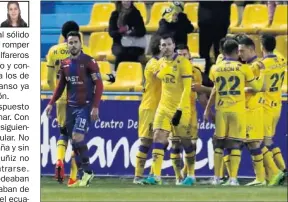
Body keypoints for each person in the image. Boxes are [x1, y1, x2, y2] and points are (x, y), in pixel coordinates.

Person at [46, 21, 115, 186]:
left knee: (73, 136)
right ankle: (77, 176)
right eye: (71, 42)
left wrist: (95, 106)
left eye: (75, 42)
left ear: (80, 42)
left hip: (84, 105)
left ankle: (81, 170)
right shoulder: (66, 63)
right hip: (70, 104)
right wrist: (50, 102)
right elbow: (62, 84)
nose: (73, 45)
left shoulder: (86, 60)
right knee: (74, 139)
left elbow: (97, 83)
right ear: (67, 42)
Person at [204, 39, 265, 186]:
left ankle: (217, 178)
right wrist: (262, 72)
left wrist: (207, 108)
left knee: (218, 144)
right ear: (236, 52)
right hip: (237, 110)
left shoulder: (215, 69)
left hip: (221, 110)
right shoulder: (243, 68)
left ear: (223, 52)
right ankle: (233, 179)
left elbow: (215, 89)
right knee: (235, 144)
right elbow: (257, 87)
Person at [144, 35, 193, 186]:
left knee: (185, 142)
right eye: (163, 45)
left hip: (181, 107)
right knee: (158, 136)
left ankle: (191, 175)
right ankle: (156, 175)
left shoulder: (183, 63)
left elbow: (187, 89)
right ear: (160, 47)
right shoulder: (160, 63)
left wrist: (179, 109)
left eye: (169, 44)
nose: (166, 47)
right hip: (163, 106)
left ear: (174, 46)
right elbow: (159, 76)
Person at [133, 35, 163, 184]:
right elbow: (163, 77)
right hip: (150, 107)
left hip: (161, 107)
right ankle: (138, 176)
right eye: (165, 45)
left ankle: (153, 174)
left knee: (162, 141)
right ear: (160, 46)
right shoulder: (153, 63)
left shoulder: (161, 62)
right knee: (146, 142)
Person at [176, 44, 207, 185]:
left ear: (189, 56)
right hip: (175, 112)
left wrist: (207, 109)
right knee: (175, 145)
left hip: (191, 112)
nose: (182, 57)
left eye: (185, 54)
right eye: (180, 54)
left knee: (192, 145)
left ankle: (188, 174)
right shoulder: (173, 71)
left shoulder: (196, 72)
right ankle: (178, 177)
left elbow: (200, 93)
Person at [238, 37, 267, 186]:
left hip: (253, 109)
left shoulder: (255, 66)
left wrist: (241, 90)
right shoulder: (248, 65)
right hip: (246, 108)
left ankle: (261, 178)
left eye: (242, 50)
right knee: (251, 144)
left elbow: (261, 87)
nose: (239, 53)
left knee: (254, 143)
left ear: (251, 49)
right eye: (238, 51)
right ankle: (261, 177)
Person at [260, 34, 286, 185]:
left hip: (266, 106)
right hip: (278, 103)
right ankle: (276, 174)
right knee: (268, 140)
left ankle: (278, 173)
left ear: (262, 46)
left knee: (261, 142)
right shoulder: (281, 58)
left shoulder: (263, 64)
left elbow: (260, 86)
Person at [108, 1, 146, 70]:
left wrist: (131, 32)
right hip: (119, 43)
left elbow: (142, 31)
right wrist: (120, 31)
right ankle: (117, 75)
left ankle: (134, 75)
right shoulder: (115, 14)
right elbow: (111, 33)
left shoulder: (136, 13)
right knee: (121, 53)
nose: (127, 1)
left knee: (132, 52)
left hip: (135, 43)